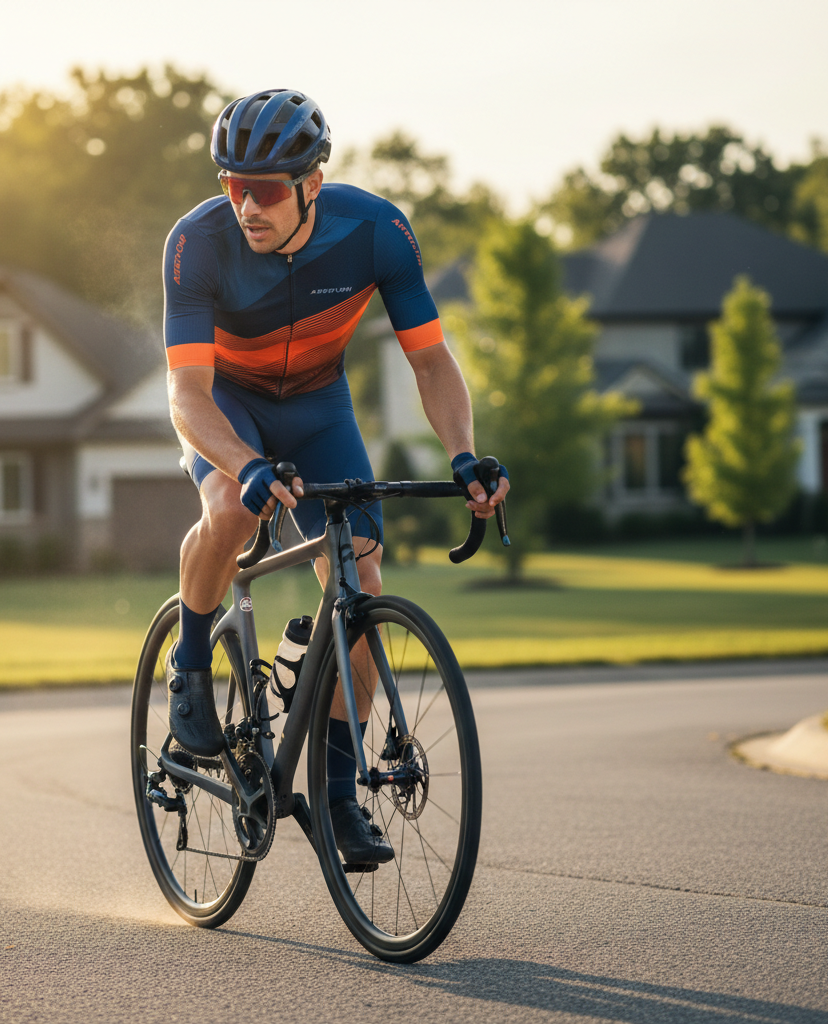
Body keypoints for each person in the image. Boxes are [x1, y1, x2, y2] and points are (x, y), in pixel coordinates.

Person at [162, 88, 509, 863]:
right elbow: (186, 396)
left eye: (266, 190)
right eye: (232, 185)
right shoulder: (196, 243)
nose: (245, 205)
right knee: (230, 510)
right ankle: (189, 668)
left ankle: (337, 793)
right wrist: (246, 465)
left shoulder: (376, 231)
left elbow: (430, 359)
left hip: (318, 408)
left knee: (361, 581)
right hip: (228, 404)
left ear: (312, 184)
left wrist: (463, 456)